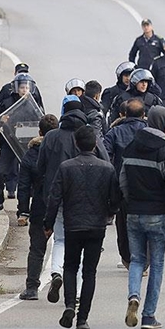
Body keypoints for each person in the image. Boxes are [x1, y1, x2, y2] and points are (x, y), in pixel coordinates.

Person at [121, 106, 165, 329]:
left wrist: (128, 200)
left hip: (133, 212)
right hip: (158, 214)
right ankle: (149, 316)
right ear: (161, 122)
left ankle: (134, 295)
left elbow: (122, 180)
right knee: (157, 264)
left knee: (137, 260)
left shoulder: (131, 146)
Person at [44, 126, 120, 329]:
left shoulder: (66, 167)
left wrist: (48, 223)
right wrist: (109, 212)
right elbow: (115, 198)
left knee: (70, 266)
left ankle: (69, 304)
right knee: (90, 272)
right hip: (96, 225)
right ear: (95, 144)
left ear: (76, 144)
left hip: (73, 223)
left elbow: (54, 198)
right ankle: (83, 318)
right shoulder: (107, 168)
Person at [38, 95, 110, 304]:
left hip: (56, 195)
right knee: (81, 249)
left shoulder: (51, 137)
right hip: (84, 199)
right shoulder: (87, 135)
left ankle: (55, 273)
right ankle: (78, 294)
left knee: (60, 239)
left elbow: (39, 167)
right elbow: (106, 161)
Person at [17, 114, 60, 300]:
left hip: (40, 207)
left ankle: (32, 287)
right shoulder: (63, 151)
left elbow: (24, 187)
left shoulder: (31, 155)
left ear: (39, 132)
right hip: (61, 205)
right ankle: (63, 280)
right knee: (64, 244)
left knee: (36, 248)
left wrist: (23, 211)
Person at [104, 99, 148, 268]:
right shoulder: (150, 131)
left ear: (124, 115)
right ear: (143, 114)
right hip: (146, 184)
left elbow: (105, 154)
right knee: (146, 222)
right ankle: (144, 260)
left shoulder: (115, 132)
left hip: (121, 184)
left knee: (123, 224)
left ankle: (128, 257)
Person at [0, 73, 36, 215]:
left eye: (27, 87)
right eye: (22, 87)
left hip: (27, 145)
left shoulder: (33, 104)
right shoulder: (7, 102)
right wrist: (2, 120)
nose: (24, 90)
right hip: (9, 143)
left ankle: (25, 208)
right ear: (16, 88)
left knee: (30, 177)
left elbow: (41, 120)